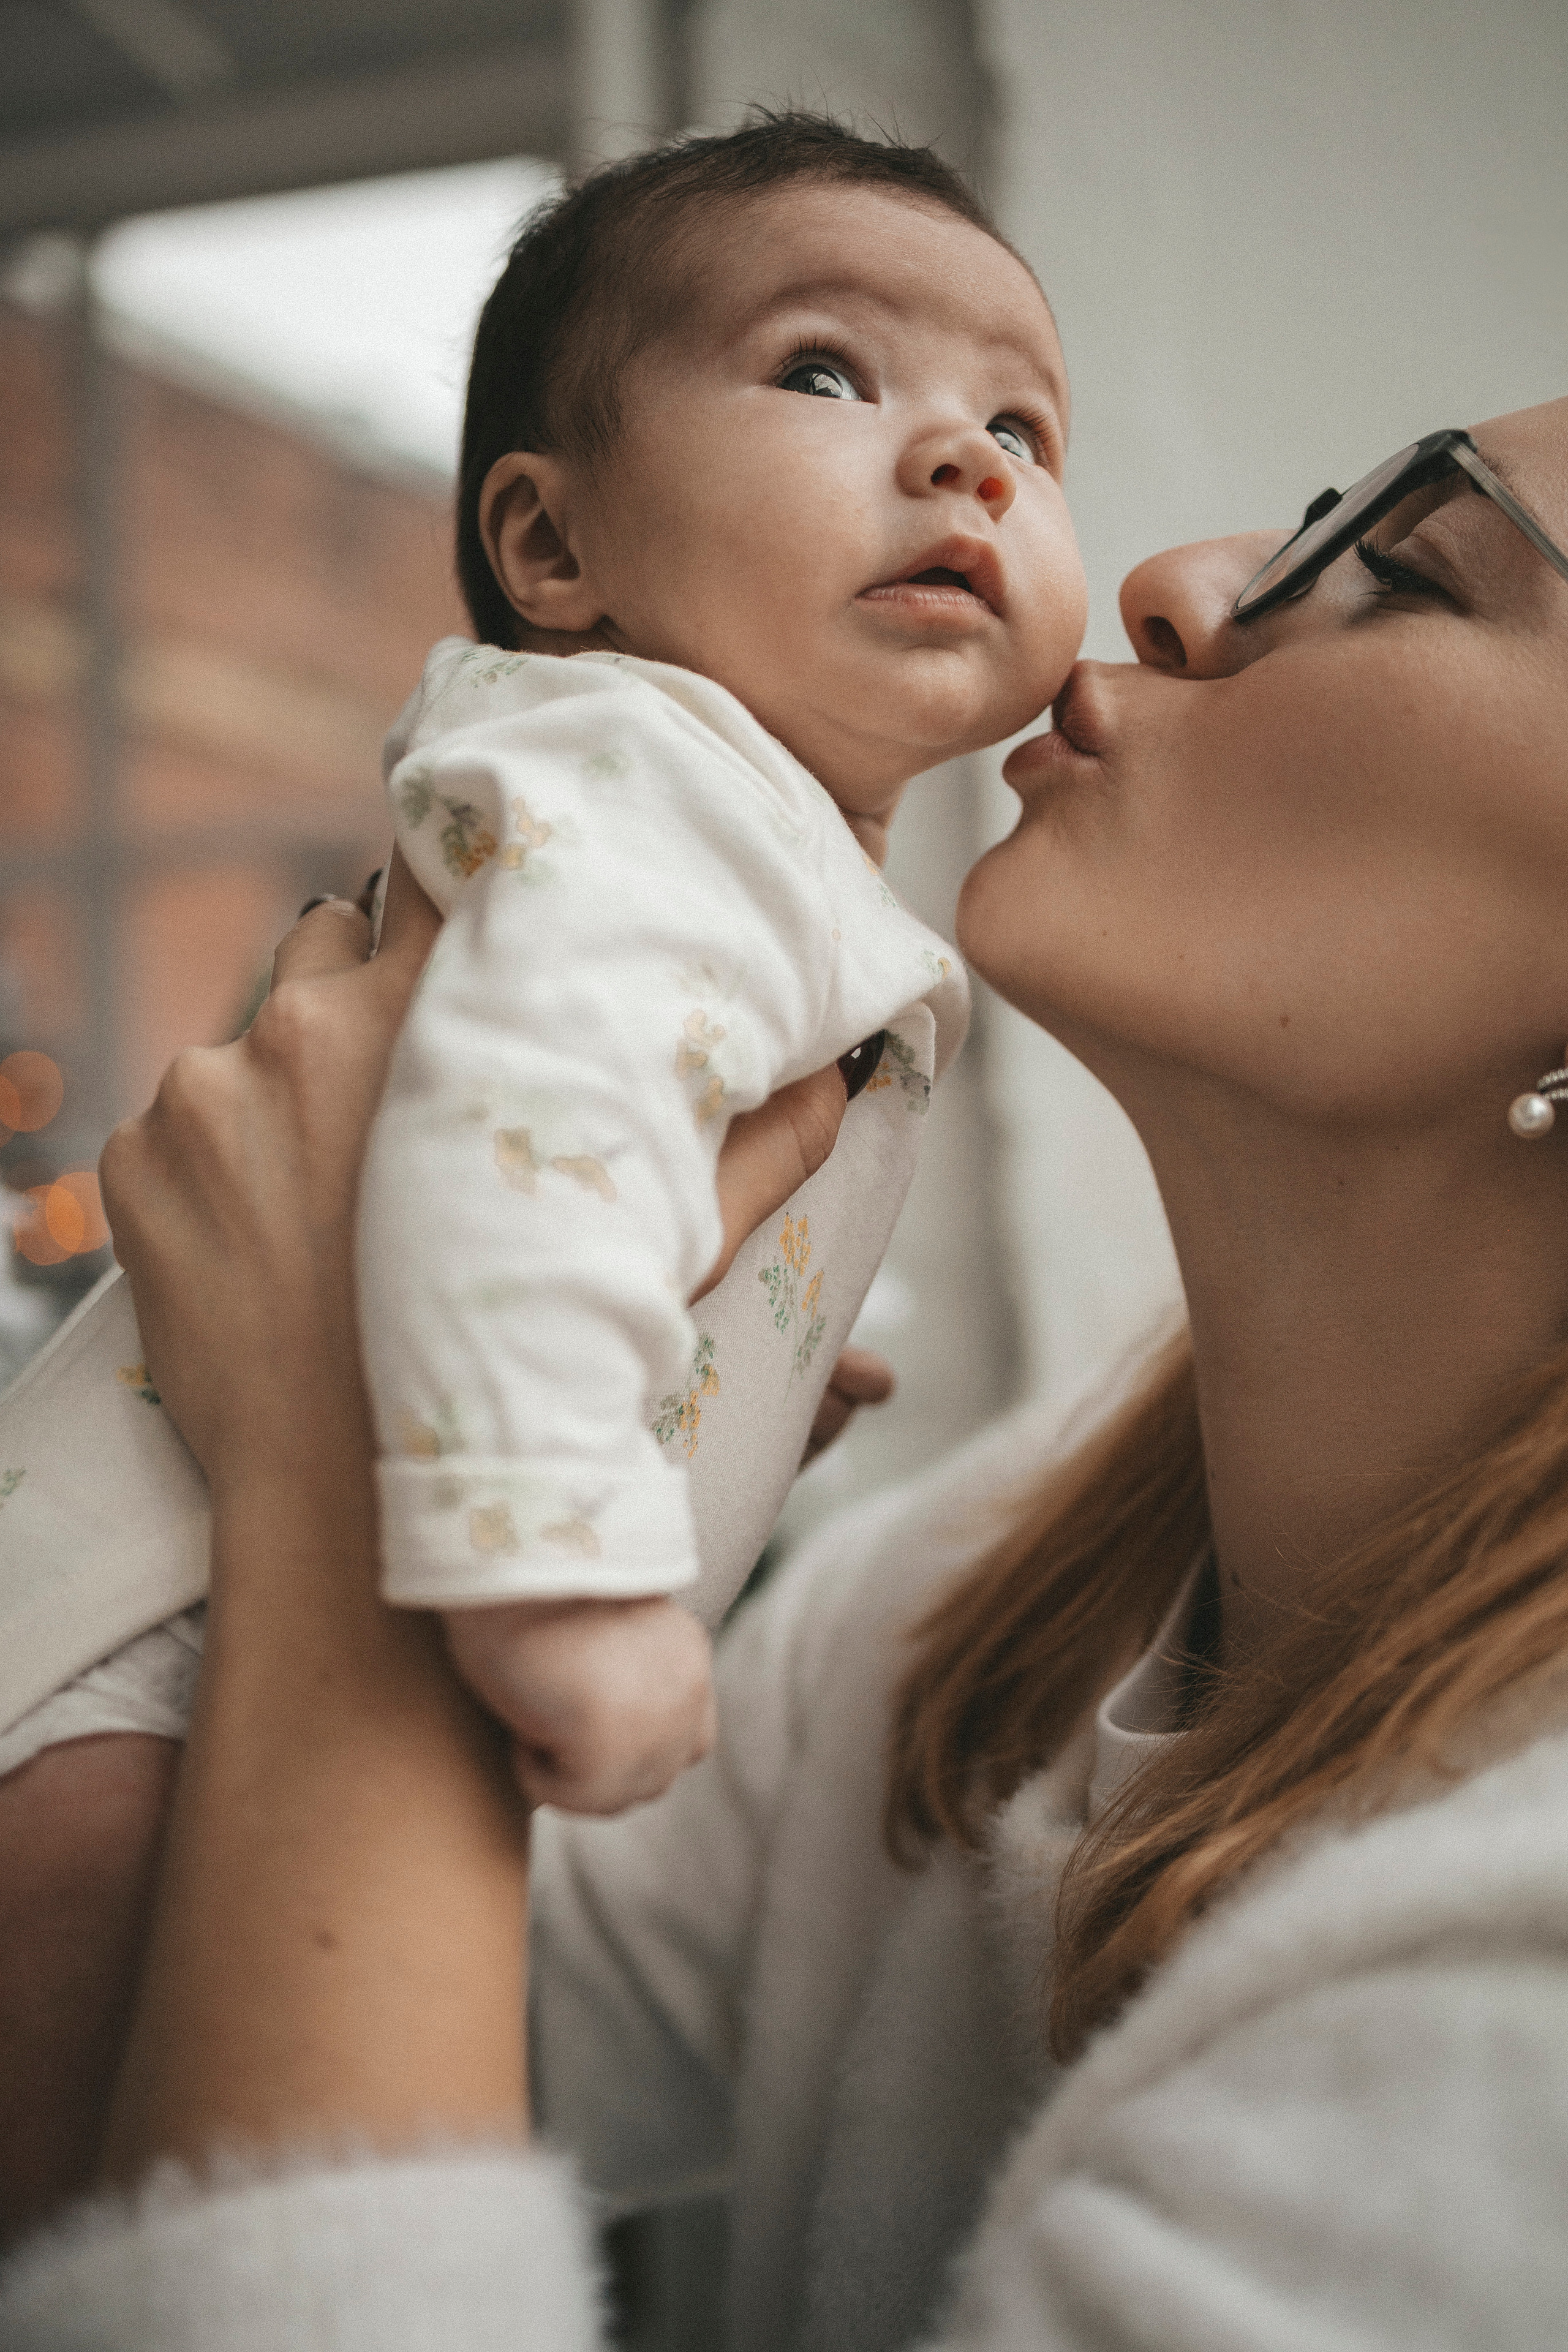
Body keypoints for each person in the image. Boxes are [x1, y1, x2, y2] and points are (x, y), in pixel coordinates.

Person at [6, 393, 1568, 2350]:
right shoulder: (975, 1606)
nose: (1180, 580)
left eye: (1414, 569)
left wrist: (366, 1438)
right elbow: (247, 2058)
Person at [0, 114, 1081, 1830]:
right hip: (141, 1641)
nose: (972, 456)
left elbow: (577, 1161)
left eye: (1024, 421)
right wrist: (560, 1570)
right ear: (555, 553)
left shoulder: (726, 829)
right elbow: (527, 1128)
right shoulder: (662, 784)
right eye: (823, 373)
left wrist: (733, 1354)